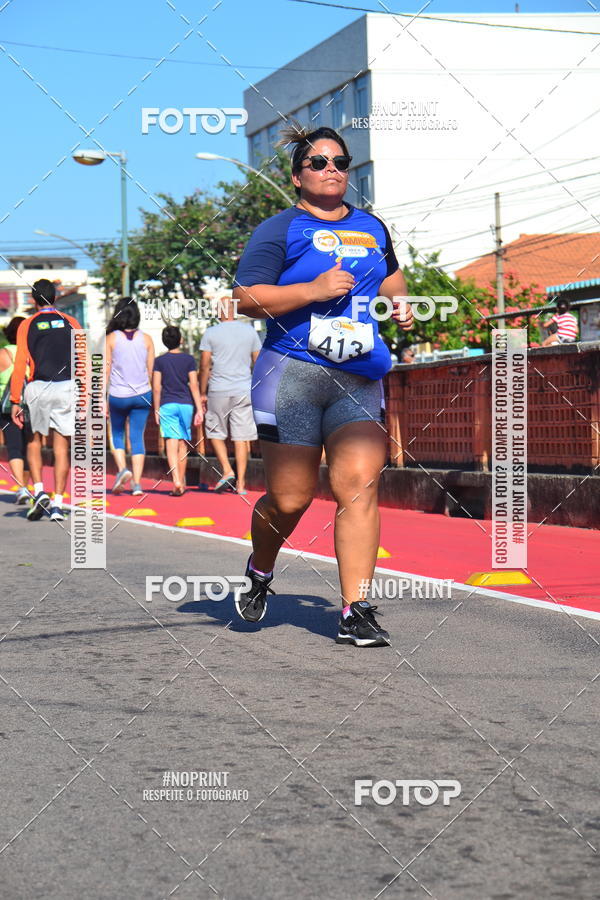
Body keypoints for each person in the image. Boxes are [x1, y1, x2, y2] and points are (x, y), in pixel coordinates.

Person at [232, 123, 413, 646]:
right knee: (290, 500)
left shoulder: (373, 227)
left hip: (356, 373)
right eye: (318, 162)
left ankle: (355, 609)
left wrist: (399, 300)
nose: (331, 169)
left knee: (357, 484)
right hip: (289, 374)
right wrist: (311, 289)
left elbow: (390, 276)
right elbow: (245, 298)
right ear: (297, 176)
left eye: (340, 162)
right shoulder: (279, 229)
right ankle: (261, 569)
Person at [10, 279, 82, 522]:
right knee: (62, 447)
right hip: (67, 387)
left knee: (34, 441)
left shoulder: (27, 324)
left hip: (38, 387)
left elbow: (20, 362)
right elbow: (82, 360)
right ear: (56, 298)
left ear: (33, 300)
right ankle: (59, 503)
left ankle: (39, 490)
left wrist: (15, 400)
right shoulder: (71, 322)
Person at [199, 297, 261, 495]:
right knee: (242, 437)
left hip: (219, 388)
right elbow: (257, 361)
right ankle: (241, 484)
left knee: (215, 431)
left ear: (219, 311)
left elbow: (204, 365)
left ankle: (227, 469)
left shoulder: (210, 333)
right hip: (244, 388)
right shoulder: (250, 331)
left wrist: (202, 392)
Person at [105, 298, 154, 495]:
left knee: (116, 433)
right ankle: (137, 484)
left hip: (118, 394)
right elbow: (151, 371)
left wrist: (100, 398)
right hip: (142, 394)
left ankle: (122, 469)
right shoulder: (147, 339)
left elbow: (105, 371)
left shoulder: (111, 338)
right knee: (137, 437)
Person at [152, 325, 203, 495]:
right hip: (186, 404)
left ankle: (176, 480)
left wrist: (156, 408)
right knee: (183, 443)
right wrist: (199, 409)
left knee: (171, 443)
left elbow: (157, 387)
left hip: (167, 404)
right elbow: (194, 385)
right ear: (181, 340)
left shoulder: (159, 361)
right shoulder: (189, 360)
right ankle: (181, 482)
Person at [0, 316, 31, 504]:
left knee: (14, 447)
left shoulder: (3, 354)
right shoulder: (33, 353)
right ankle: (33, 487)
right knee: (31, 447)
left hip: (7, 406)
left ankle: (22, 488)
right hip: (32, 405)